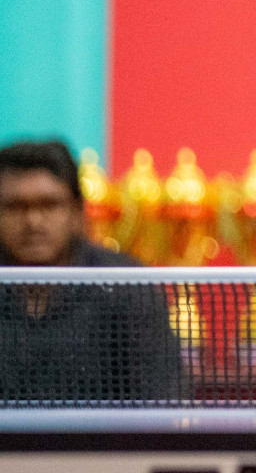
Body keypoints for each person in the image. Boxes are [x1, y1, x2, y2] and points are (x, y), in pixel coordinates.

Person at [0, 139, 179, 401]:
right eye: (15, 207)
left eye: (49, 205)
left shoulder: (126, 284)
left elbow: (164, 397)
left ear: (76, 211)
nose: (33, 221)